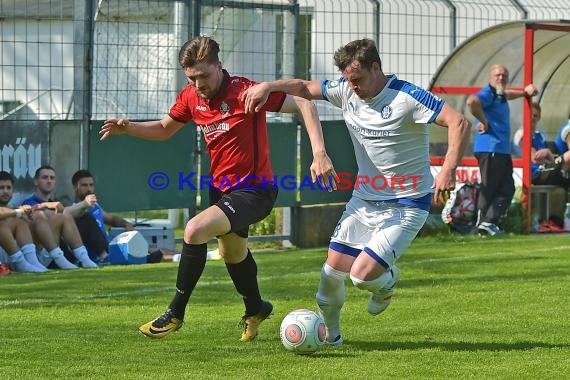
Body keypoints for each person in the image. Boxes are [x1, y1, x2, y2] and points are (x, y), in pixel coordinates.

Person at [99, 36, 336, 342]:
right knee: (232, 253)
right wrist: (128, 127)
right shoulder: (190, 97)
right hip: (221, 190)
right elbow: (163, 129)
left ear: (219, 66)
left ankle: (175, 313)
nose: (198, 84)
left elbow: (304, 101)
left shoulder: (246, 92)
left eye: (204, 76)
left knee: (194, 229)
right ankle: (256, 307)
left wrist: (318, 152)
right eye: (191, 78)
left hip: (255, 190)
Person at [241, 38, 471, 345]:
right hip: (363, 202)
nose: (353, 86)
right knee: (329, 275)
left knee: (361, 276)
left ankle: (386, 283)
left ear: (375, 67)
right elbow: (303, 88)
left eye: (358, 79)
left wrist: (449, 169)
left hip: (406, 205)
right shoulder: (346, 89)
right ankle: (331, 337)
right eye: (348, 80)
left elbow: (459, 123)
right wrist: (269, 86)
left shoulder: (408, 97)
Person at [467, 64, 538, 236]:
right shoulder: (488, 93)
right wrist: (484, 121)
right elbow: (472, 102)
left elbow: (507, 94)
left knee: (507, 188)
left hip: (501, 150)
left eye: (505, 75)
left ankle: (489, 223)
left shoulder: (499, 94)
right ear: (491, 77)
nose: (501, 78)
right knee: (489, 187)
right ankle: (480, 225)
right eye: (498, 75)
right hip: (491, 148)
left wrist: (524, 93)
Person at [65, 169, 163, 264]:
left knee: (157, 252)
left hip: (111, 246)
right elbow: (66, 213)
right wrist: (84, 204)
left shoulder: (95, 206)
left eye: (91, 185)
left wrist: (126, 224)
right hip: (95, 253)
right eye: (84, 185)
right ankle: (143, 257)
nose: (89, 189)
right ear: (75, 187)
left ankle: (168, 256)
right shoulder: (74, 209)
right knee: (149, 253)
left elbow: (111, 219)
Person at [20, 166, 99, 269]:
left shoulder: (52, 201)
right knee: (61, 216)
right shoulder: (29, 202)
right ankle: (88, 257)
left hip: (50, 250)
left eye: (52, 178)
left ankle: (85, 258)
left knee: (83, 217)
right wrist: (83, 204)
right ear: (36, 182)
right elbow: (51, 215)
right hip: (37, 252)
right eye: (45, 177)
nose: (49, 181)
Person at [0, 171, 71, 272]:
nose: (5, 191)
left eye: (8, 188)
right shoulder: (16, 210)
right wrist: (19, 212)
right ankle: (25, 263)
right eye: (1, 188)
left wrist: (44, 206)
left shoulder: (14, 208)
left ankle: (78, 258)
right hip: (8, 258)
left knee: (60, 217)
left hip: (21, 254)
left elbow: (30, 215)